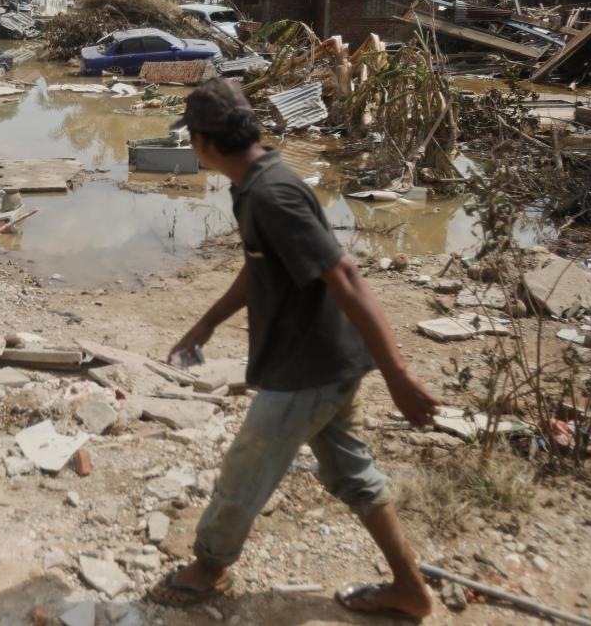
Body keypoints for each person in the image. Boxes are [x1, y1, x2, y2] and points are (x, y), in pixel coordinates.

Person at [148, 78, 441, 620]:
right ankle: (411, 588)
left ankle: (207, 567)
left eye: (190, 137)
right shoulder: (254, 182)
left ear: (203, 143)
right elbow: (259, 266)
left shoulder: (270, 193)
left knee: (244, 471)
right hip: (328, 361)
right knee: (353, 475)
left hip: (306, 370)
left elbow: (346, 276)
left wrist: (397, 374)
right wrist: (206, 324)